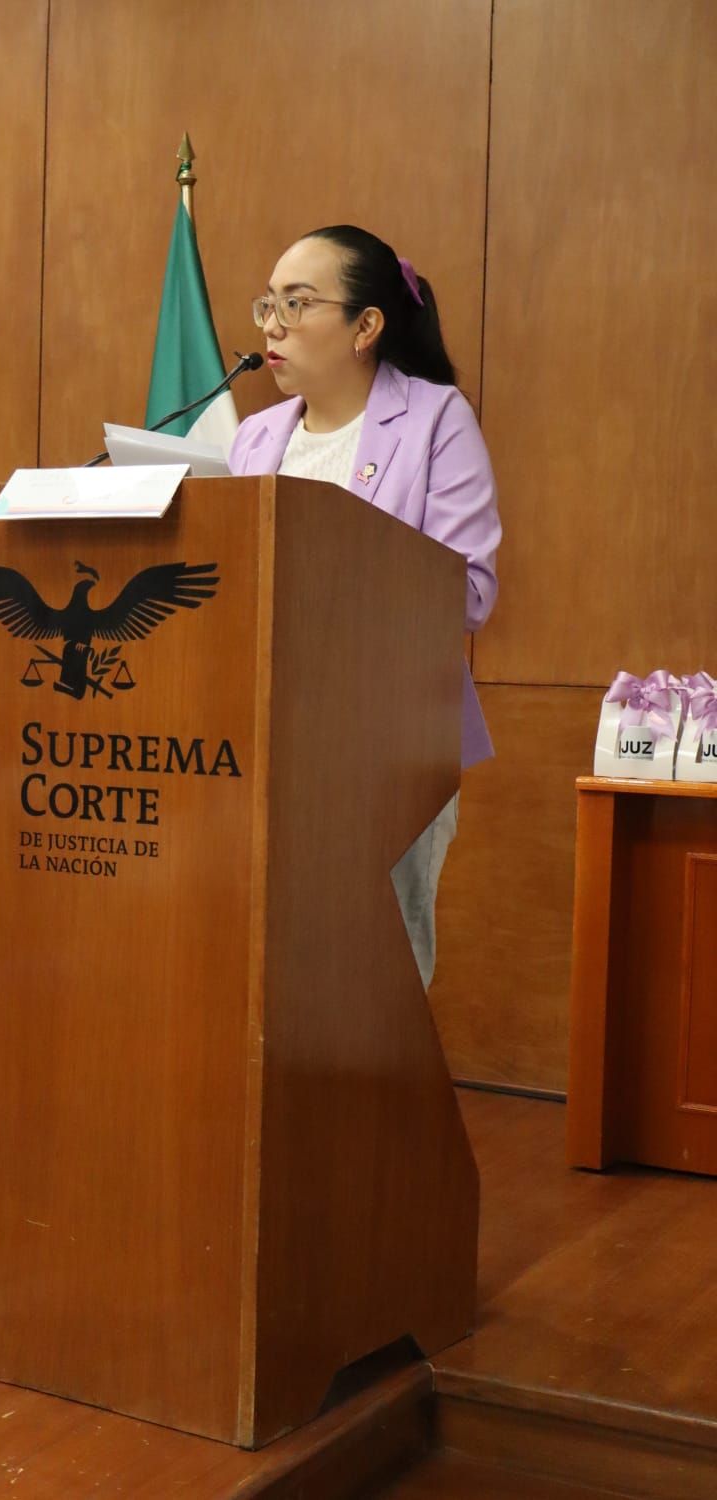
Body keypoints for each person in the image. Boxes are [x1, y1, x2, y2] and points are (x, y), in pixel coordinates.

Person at [229, 225, 501, 988]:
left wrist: (332, 565)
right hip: (266, 737)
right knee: (272, 966)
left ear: (366, 326)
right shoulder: (253, 438)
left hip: (392, 743)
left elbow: (469, 591)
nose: (272, 325)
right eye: (267, 305)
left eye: (297, 303)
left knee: (377, 973)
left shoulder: (435, 419)